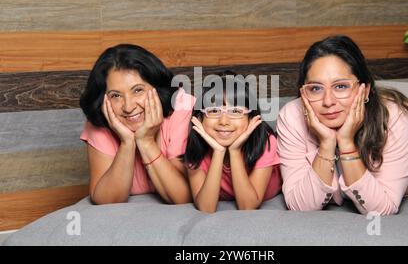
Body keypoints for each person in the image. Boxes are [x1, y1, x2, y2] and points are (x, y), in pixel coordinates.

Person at [277, 35, 408, 215]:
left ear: (365, 90)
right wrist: (327, 144)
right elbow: (300, 207)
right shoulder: (292, 115)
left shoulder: (395, 118)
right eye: (316, 88)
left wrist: (346, 143)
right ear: (303, 92)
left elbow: (381, 208)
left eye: (341, 86)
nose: (328, 101)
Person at [79, 44, 195, 205]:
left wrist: (146, 141)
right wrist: (127, 142)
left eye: (138, 90)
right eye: (116, 95)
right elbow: (106, 201)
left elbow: (182, 197)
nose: (128, 107)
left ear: (156, 87)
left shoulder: (181, 107)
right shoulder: (101, 121)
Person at [183, 71, 281, 213]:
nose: (224, 121)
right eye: (214, 110)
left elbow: (248, 206)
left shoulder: (264, 140)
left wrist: (234, 151)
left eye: (235, 111)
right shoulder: (195, 143)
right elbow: (206, 207)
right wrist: (218, 152)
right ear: (200, 117)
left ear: (251, 117)